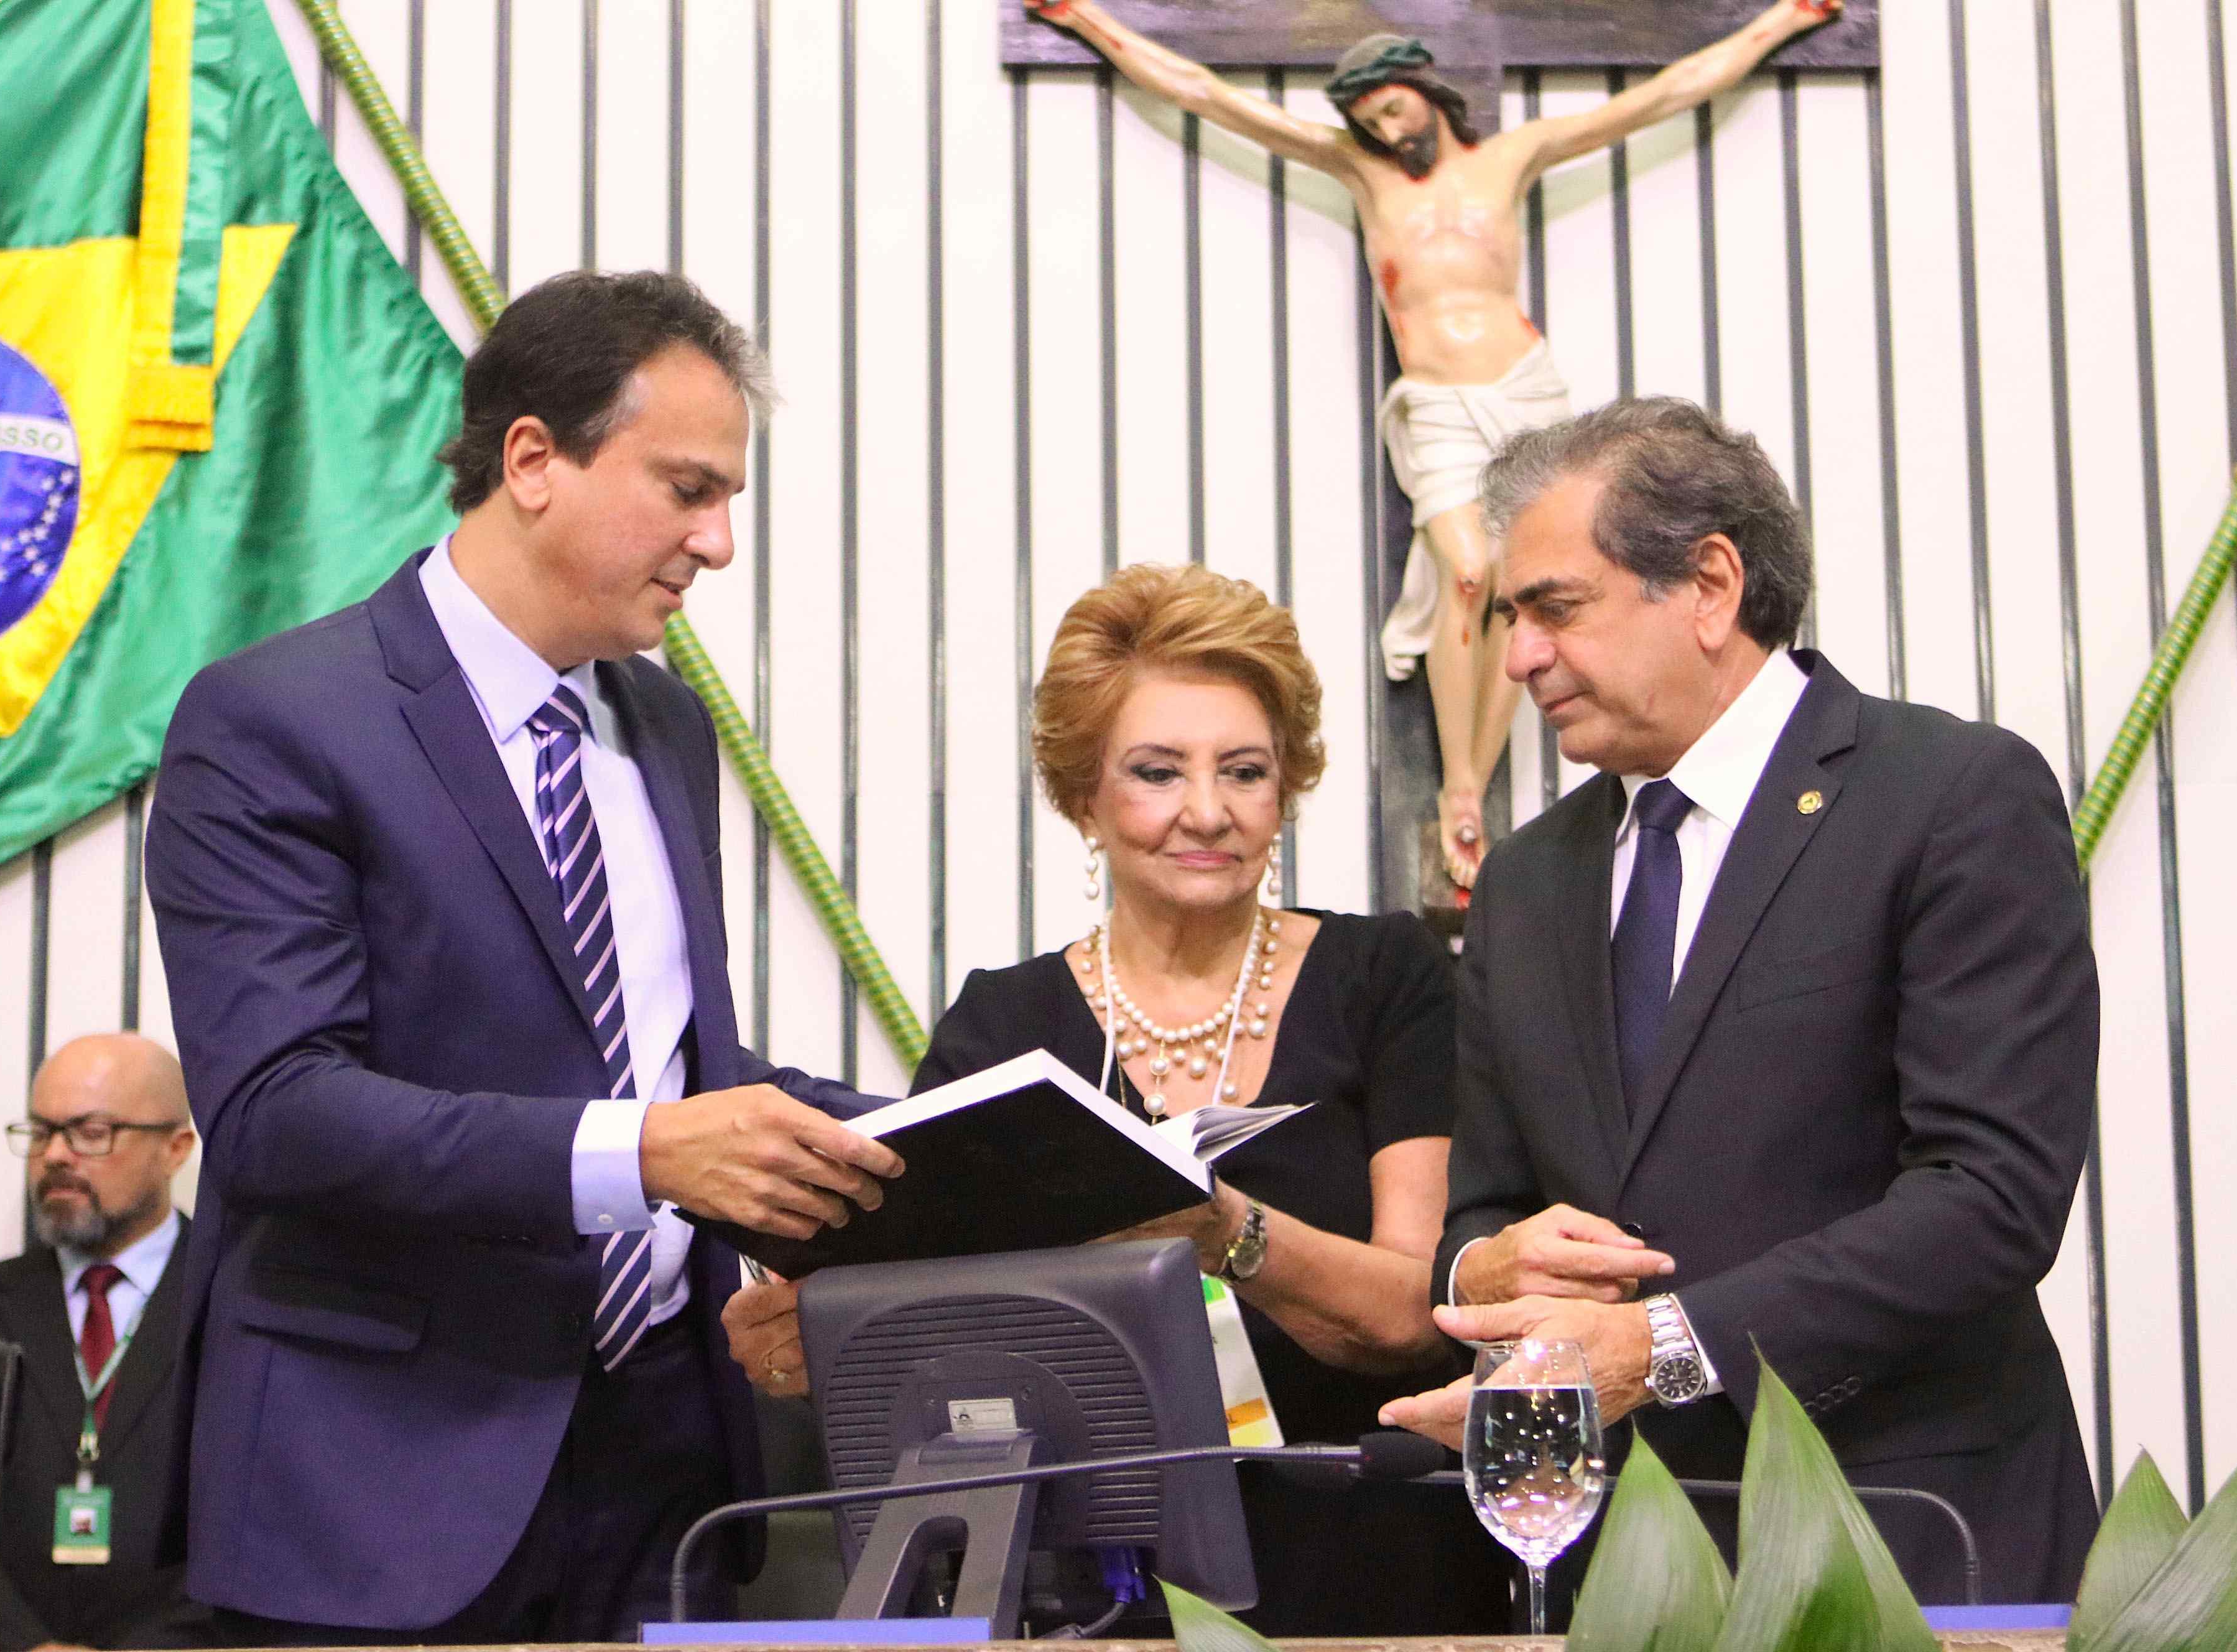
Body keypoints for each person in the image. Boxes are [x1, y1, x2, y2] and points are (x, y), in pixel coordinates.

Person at [142, 271, 905, 1643]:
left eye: (727, 497)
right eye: (688, 490)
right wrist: (644, 1153)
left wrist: (1000, 1138)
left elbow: (671, 1063)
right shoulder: (274, 720)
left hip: (665, 1462)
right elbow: (277, 1111)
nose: (719, 542)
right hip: (380, 1476)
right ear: (535, 459)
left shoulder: (665, 726)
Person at [1378, 397, 2102, 1605]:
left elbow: (1991, 1195)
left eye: (1555, 608)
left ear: (1708, 586)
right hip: (1619, 1567)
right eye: (1510, 618)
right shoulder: (1524, 878)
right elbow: (1488, 1208)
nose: (1518, 660)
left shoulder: (1949, 796)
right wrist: (1484, 1270)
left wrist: (1662, 1346)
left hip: (1905, 1541)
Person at [721, 564, 1509, 1635]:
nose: (1207, 811)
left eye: (1244, 771)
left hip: (1373, 1555)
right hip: (1087, 1581)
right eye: (1156, 772)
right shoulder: (1002, 1025)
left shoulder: (1387, 979)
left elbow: (1420, 1311)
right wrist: (811, 1340)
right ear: (1082, 795)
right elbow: (930, 1336)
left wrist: (1226, 1232)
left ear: (1285, 788)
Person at [1024, 0, 1841, 889]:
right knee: (1468, 573)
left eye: (1392, 108)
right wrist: (1088, 21)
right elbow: (1209, 96)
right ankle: (1459, 785)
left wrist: (1782, 22)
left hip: (1523, 389)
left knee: (1526, 594)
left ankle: (1474, 783)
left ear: (1425, 89)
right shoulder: (1363, 174)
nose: (1384, 129)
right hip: (1440, 405)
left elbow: (1660, 96)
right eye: (1368, 120)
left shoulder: (1510, 158)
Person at [0, 1036, 209, 1652]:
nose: (55, 1155)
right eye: (42, 1131)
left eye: (91, 1133)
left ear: (175, 1148)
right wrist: (19, 1642)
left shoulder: (233, 1312)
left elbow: (267, 1526)